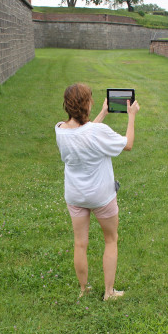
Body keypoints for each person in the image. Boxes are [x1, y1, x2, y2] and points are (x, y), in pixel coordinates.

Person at [55, 83, 140, 301]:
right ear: (86, 104)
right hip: (101, 196)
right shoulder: (97, 132)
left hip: (75, 196)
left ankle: (84, 290)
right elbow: (128, 144)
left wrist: (102, 113)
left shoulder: (60, 131)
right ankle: (109, 292)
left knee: (80, 243)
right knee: (111, 240)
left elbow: (84, 133)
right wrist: (131, 116)